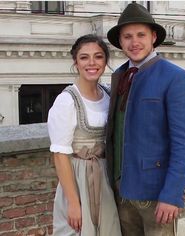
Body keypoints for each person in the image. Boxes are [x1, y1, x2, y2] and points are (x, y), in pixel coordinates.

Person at [106, 3, 185, 236]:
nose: (134, 42)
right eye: (127, 36)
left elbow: (184, 143)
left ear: (153, 37)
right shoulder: (119, 76)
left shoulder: (175, 77)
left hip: (157, 197)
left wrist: (172, 195)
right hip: (122, 191)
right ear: (121, 42)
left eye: (140, 35)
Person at [47, 34, 122, 236]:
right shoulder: (67, 101)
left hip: (104, 179)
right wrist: (73, 203)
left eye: (98, 57)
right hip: (78, 181)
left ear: (105, 62)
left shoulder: (107, 95)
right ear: (76, 62)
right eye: (84, 57)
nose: (91, 63)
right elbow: (60, 155)